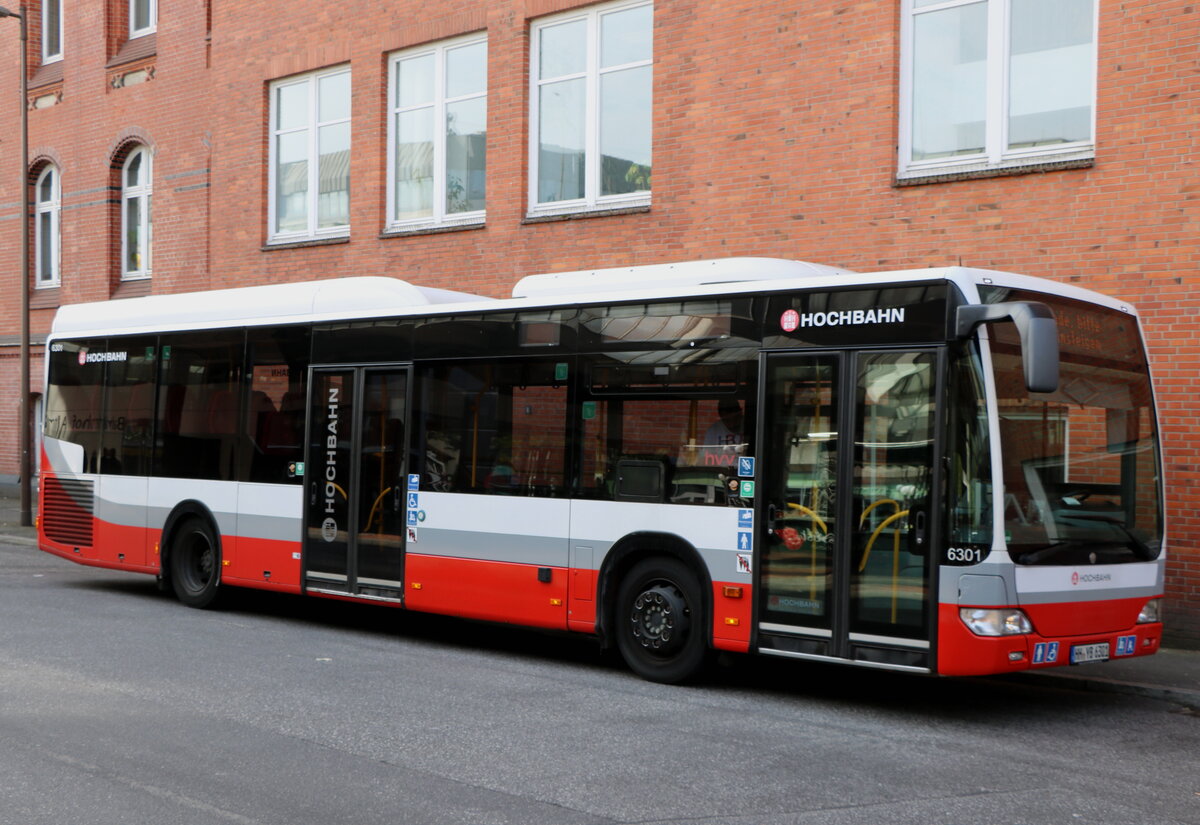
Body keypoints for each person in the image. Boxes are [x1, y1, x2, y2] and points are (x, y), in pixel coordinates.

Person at [701, 399, 744, 467]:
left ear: (740, 413)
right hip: (720, 471)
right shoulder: (714, 430)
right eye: (727, 420)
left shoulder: (751, 426)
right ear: (721, 417)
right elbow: (706, 458)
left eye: (735, 419)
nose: (732, 424)